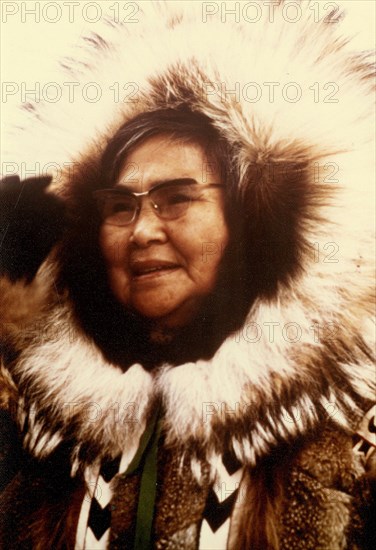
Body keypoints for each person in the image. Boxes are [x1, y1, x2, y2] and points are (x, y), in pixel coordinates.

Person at [0, 2, 375, 549]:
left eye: (177, 199)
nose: (142, 231)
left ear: (249, 221)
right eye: (120, 206)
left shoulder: (349, 438)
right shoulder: (42, 447)